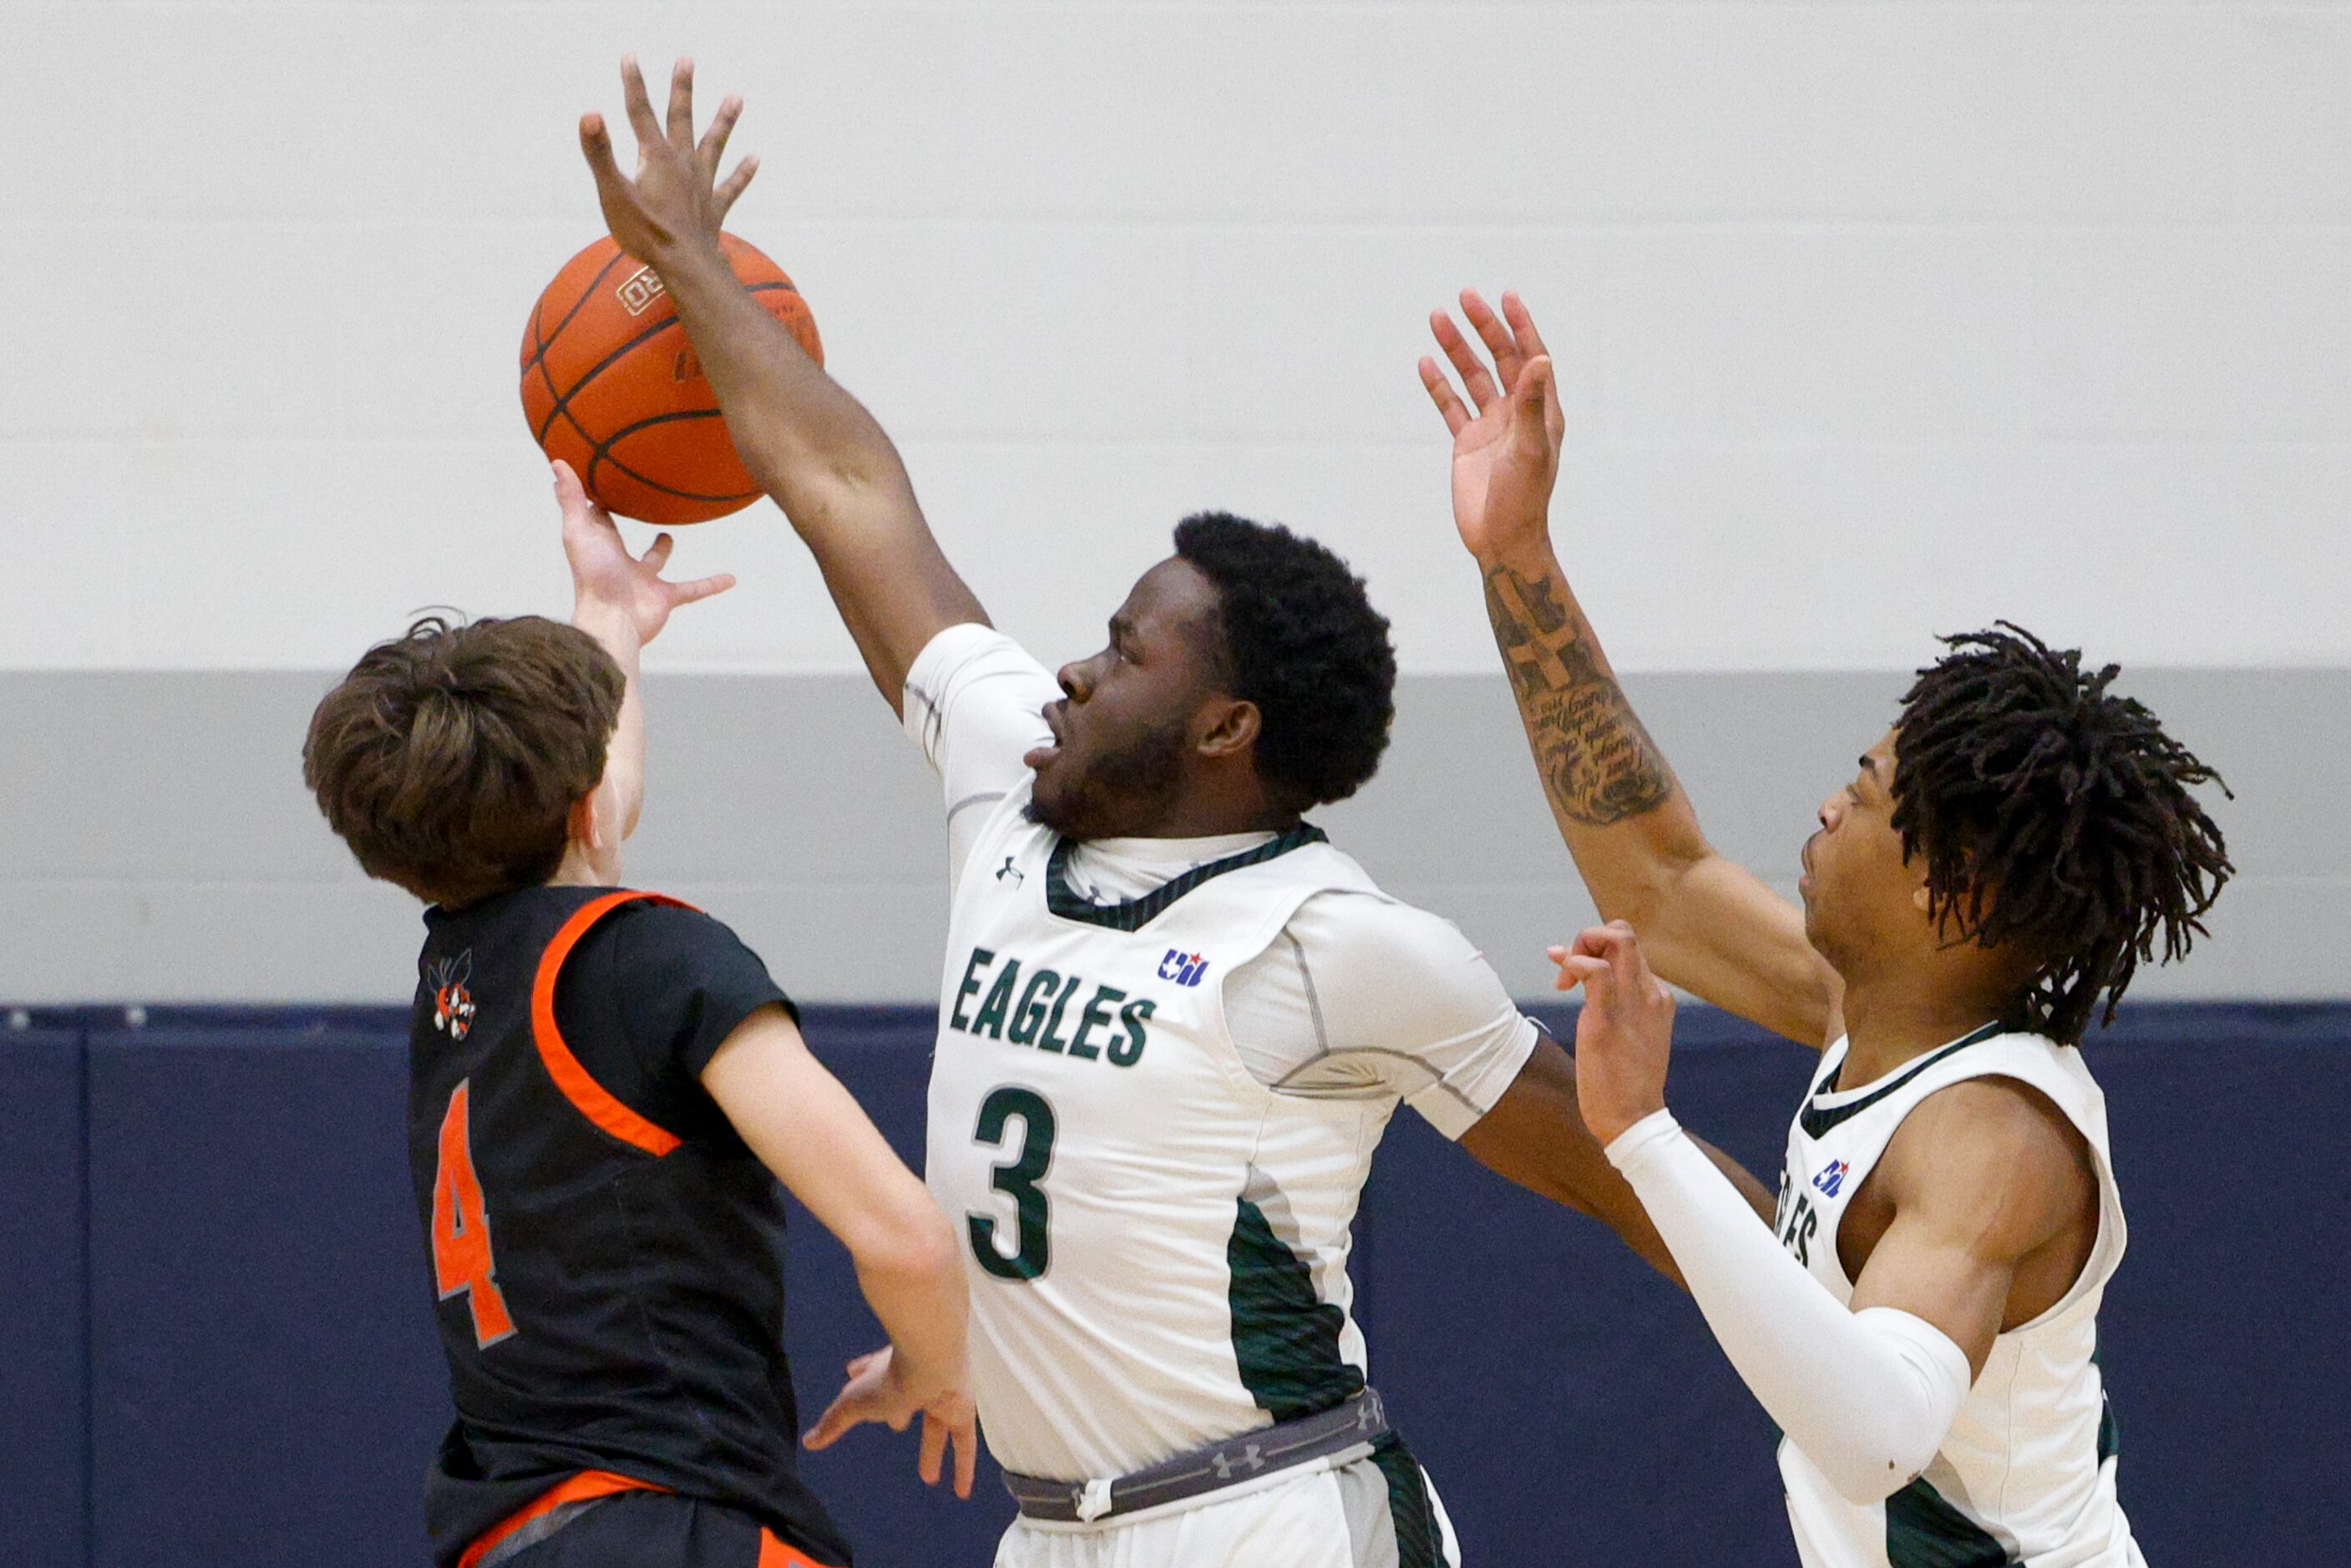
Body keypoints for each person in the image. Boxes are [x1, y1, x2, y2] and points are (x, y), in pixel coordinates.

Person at [572, 57, 1771, 1568]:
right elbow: (845, 483)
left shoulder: (1338, 942)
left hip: (1271, 1516)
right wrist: (684, 257)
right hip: (1049, 1531)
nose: (1071, 665)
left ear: (1226, 726)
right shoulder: (1015, 769)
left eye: (1127, 651)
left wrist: (1862, 1317)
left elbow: (1629, 1177)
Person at [1419, 289, 2232, 1567]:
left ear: (1950, 893)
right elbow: (1658, 880)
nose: (1826, 803)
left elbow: (1877, 1435)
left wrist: (1642, 1138)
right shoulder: (1887, 1008)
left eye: (1863, 794)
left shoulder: (1995, 1143)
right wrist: (1517, 559)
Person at [301, 462, 976, 1568]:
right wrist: (938, 1367)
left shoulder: (461, 970)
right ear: (579, 805)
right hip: (669, 1524)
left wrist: (609, 608)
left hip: (513, 1535)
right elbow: (906, 1237)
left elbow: (589, 805)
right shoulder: (652, 962)